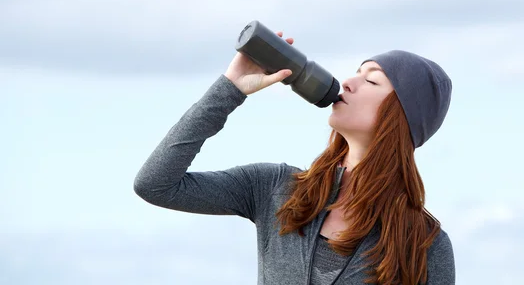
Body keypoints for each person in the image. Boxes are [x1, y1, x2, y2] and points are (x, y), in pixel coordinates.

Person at [134, 31, 455, 285]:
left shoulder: (426, 244)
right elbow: (156, 184)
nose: (348, 83)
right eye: (356, 72)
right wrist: (230, 89)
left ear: (401, 115)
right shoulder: (276, 188)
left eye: (371, 80)